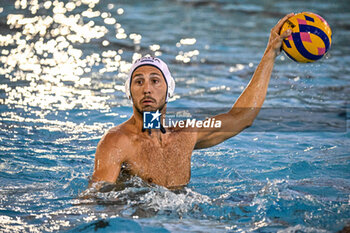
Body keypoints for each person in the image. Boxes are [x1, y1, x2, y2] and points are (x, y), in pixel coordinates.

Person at [89, 13, 295, 190]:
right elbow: (95, 199)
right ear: (130, 92)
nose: (147, 89)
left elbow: (242, 117)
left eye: (155, 81)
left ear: (169, 90)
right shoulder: (116, 142)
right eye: (139, 82)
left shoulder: (185, 135)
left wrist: (270, 54)